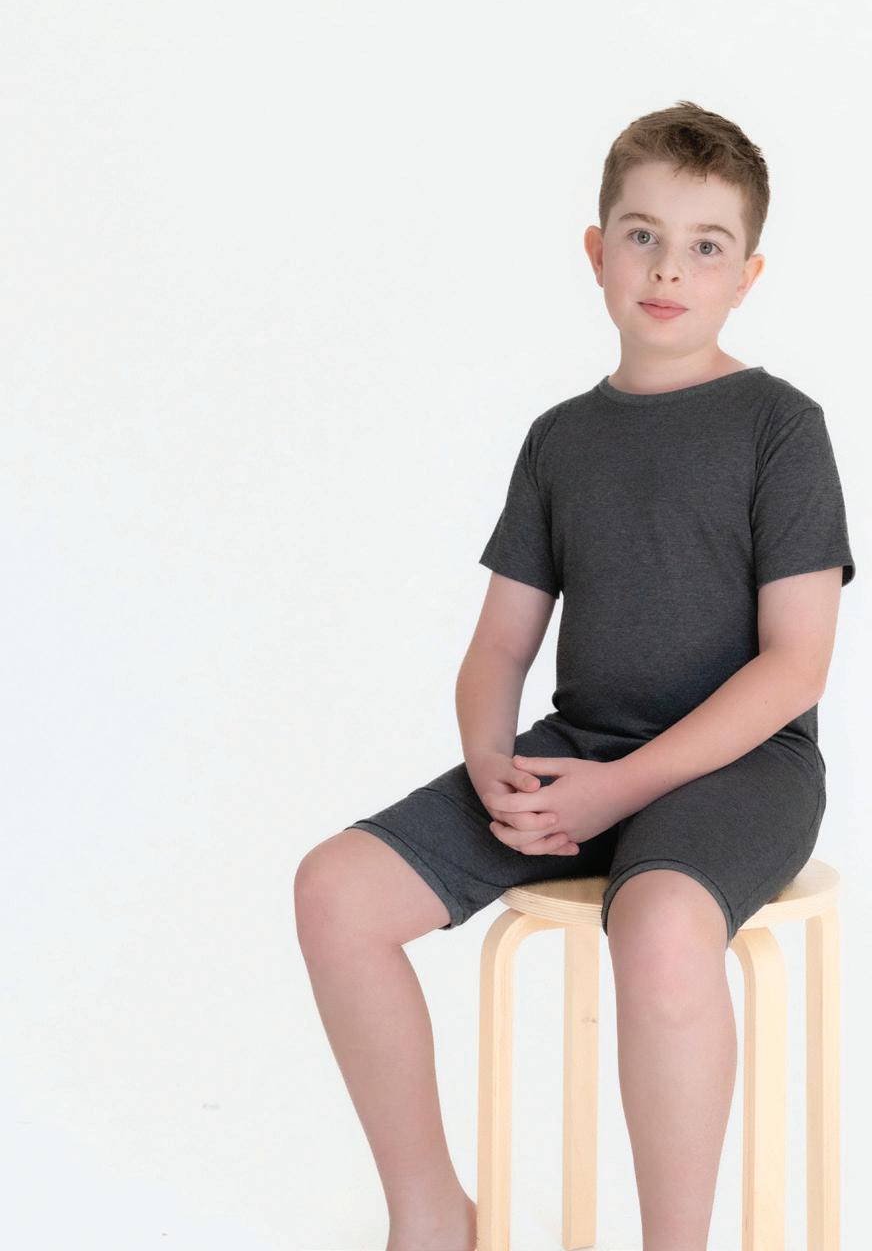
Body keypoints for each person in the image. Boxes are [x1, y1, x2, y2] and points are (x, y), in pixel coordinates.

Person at [294, 100, 856, 1251]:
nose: (667, 268)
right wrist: (490, 763)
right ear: (597, 252)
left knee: (658, 927)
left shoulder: (778, 427)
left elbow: (796, 664)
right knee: (334, 892)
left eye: (704, 245)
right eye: (641, 236)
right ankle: (431, 1216)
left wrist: (620, 790)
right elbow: (499, 646)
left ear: (745, 276)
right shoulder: (559, 439)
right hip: (579, 757)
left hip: (742, 770)